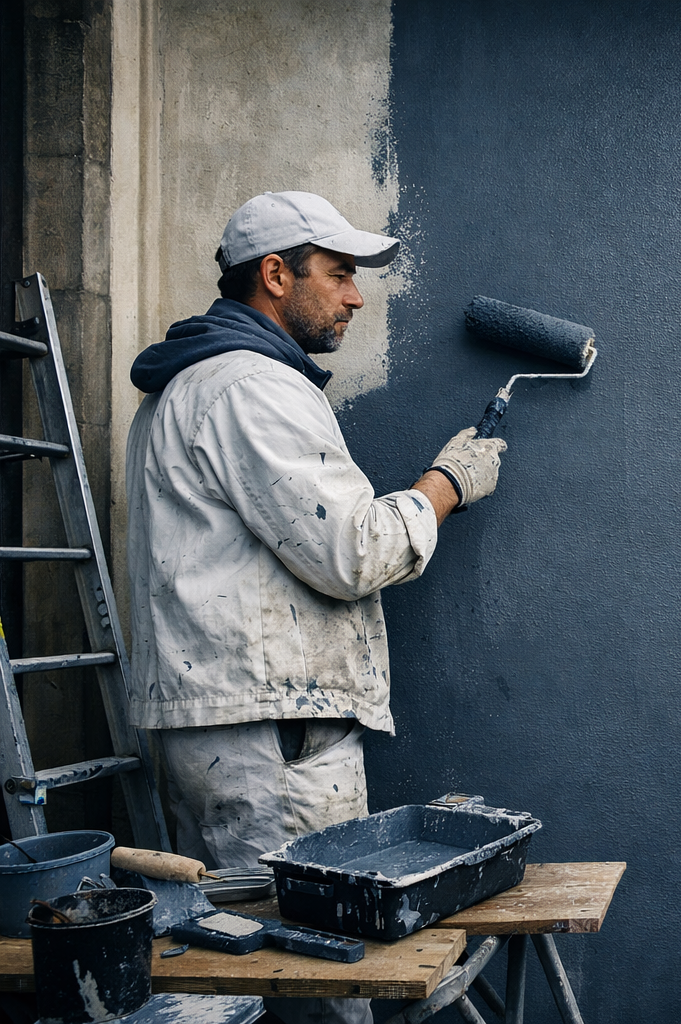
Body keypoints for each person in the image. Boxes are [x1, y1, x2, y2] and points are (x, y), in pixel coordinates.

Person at [125, 191, 506, 1024]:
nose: (355, 296)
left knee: (237, 977)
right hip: (276, 741)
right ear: (274, 274)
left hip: (229, 726)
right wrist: (443, 488)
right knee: (315, 984)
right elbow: (353, 552)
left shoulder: (191, 384)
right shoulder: (251, 388)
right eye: (338, 275)